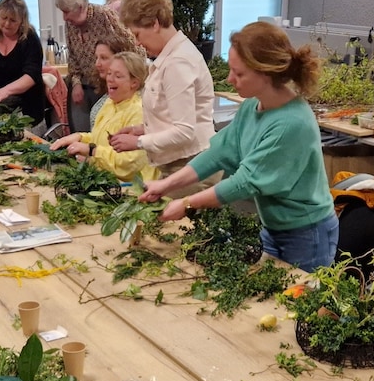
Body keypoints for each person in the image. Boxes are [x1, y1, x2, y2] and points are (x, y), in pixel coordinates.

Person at [137, 22, 336, 272]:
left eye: (239, 73)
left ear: (265, 73)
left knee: (297, 303)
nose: (230, 79)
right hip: (273, 226)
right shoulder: (252, 107)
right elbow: (218, 154)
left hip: (307, 234)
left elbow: (243, 182)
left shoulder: (291, 123)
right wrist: (165, 185)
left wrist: (187, 203)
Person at [111, 0, 215, 191]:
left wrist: (139, 142)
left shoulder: (178, 62)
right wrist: (143, 129)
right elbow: (174, 115)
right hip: (181, 163)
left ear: (155, 23)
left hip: (191, 166)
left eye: (138, 34)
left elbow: (184, 132)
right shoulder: (171, 56)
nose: (138, 42)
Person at [51, 52, 155, 182]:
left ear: (134, 83)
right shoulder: (109, 103)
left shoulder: (138, 112)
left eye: (118, 76)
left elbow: (130, 164)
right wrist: (80, 137)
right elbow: (101, 140)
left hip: (130, 190)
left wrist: (92, 152)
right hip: (104, 179)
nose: (110, 79)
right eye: (110, 73)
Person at [55, 0, 139, 132]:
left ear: (80, 7)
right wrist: (76, 83)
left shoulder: (104, 16)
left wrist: (122, 77)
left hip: (108, 86)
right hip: (84, 86)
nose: (64, 17)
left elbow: (130, 46)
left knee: (105, 132)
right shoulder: (70, 24)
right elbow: (73, 57)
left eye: (67, 11)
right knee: (81, 133)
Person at [89, 37, 137, 127]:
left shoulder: (136, 104)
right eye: (96, 58)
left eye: (103, 58)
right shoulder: (108, 97)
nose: (97, 64)